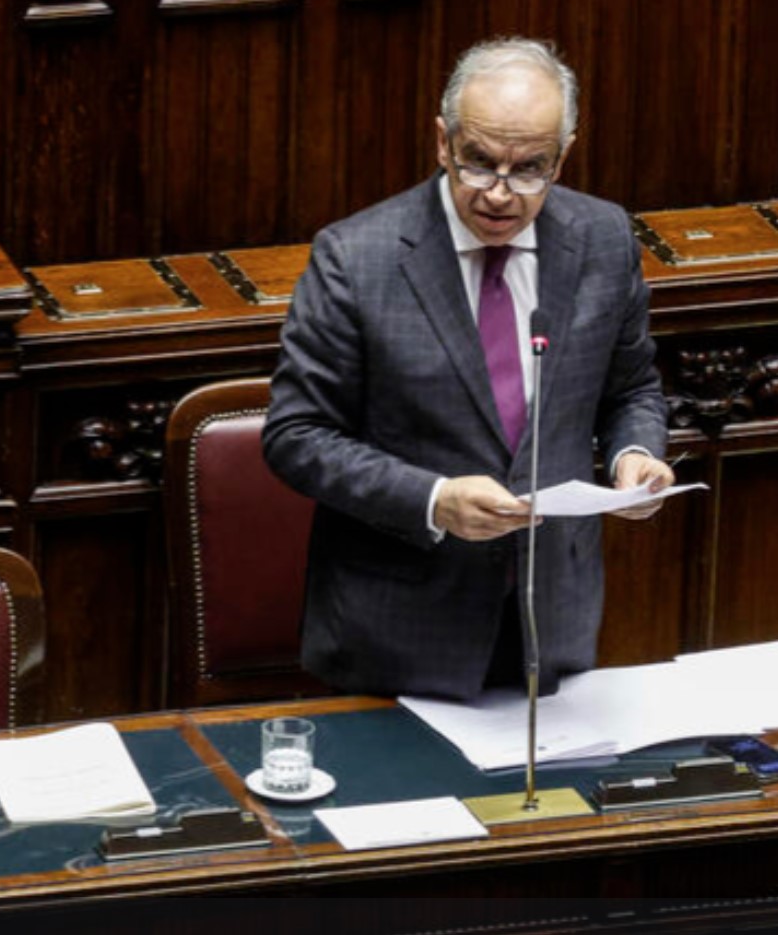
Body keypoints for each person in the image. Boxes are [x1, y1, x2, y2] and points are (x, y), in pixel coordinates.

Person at [262, 37, 674, 701]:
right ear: (442, 142)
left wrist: (636, 456)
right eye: (479, 162)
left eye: (529, 169)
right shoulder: (356, 258)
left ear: (563, 156)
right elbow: (297, 436)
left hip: (550, 618)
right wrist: (433, 499)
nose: (500, 194)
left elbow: (631, 388)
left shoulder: (602, 238)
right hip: (400, 633)